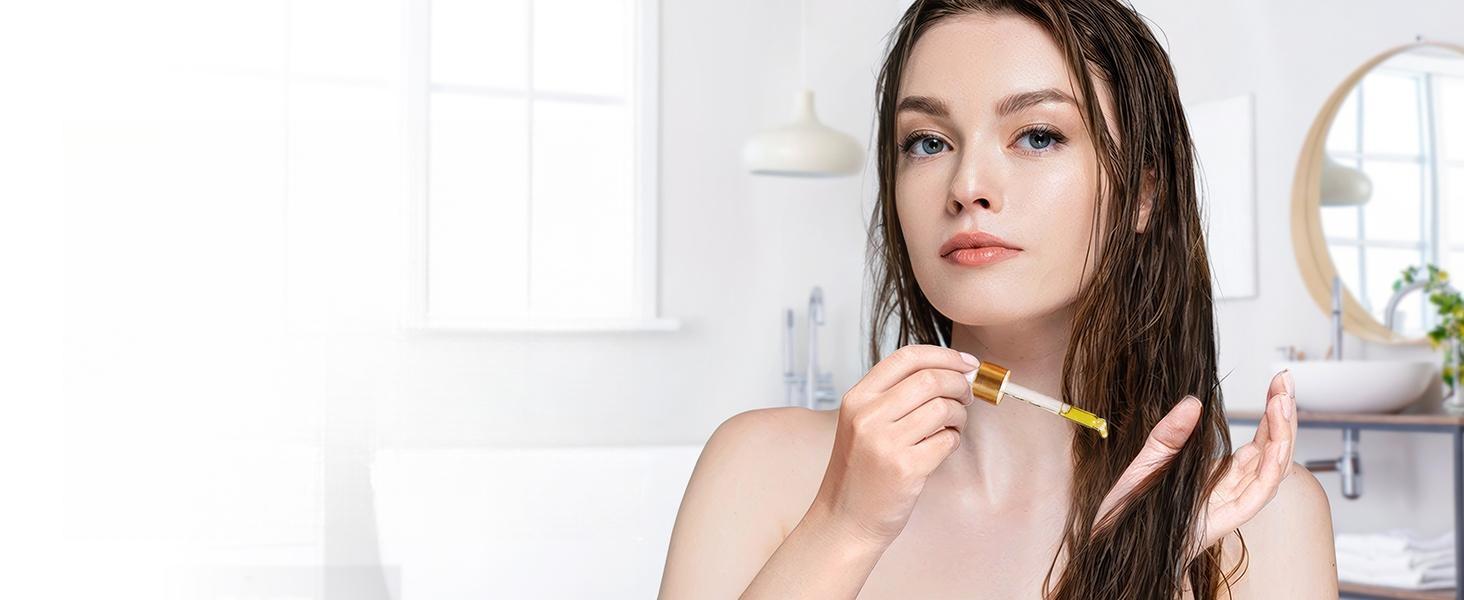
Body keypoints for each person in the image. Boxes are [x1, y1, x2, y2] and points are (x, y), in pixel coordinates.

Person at [659, 1, 1337, 597]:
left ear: (1142, 195)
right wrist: (845, 527)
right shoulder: (760, 471)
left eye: (1038, 136)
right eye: (927, 142)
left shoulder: (1256, 520)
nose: (967, 183)